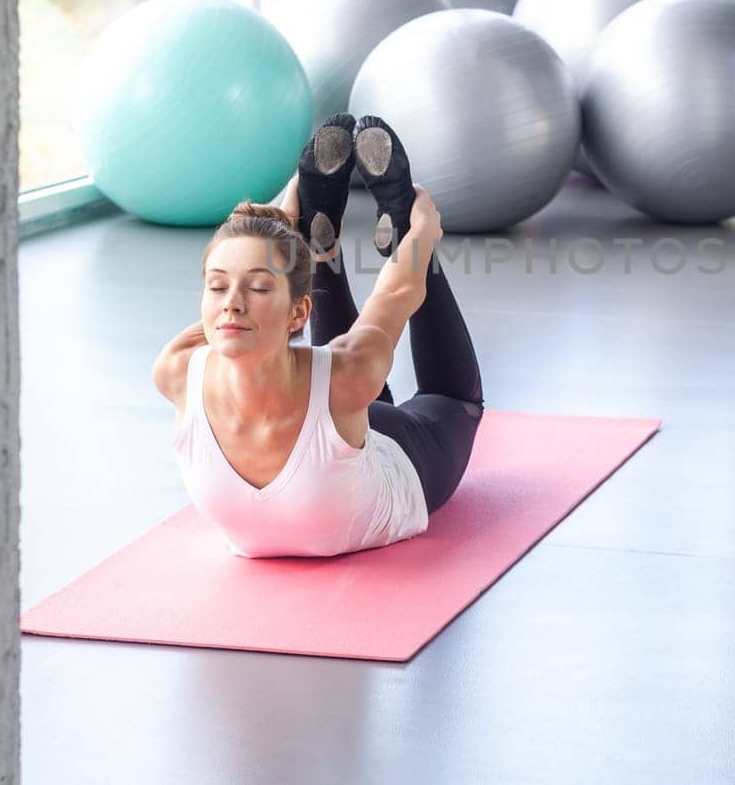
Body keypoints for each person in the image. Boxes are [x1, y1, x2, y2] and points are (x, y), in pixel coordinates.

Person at [152, 114, 486, 558]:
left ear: (300, 314)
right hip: (336, 416)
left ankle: (369, 235)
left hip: (387, 448)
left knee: (450, 402)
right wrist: (276, 231)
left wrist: (423, 234)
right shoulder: (177, 371)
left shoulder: (349, 373)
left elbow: (398, 291)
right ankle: (318, 247)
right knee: (343, 382)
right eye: (217, 286)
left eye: (256, 287)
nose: (230, 303)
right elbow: (244, 269)